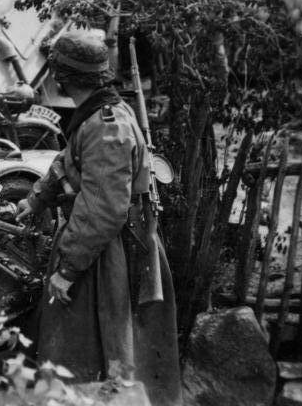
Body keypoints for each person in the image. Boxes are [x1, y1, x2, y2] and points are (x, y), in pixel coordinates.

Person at [17, 30, 181, 406]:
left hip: (107, 252)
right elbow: (69, 159)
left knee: (98, 344)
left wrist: (67, 269)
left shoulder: (107, 126)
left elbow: (105, 209)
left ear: (61, 77)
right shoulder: (96, 114)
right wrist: (38, 198)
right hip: (95, 242)